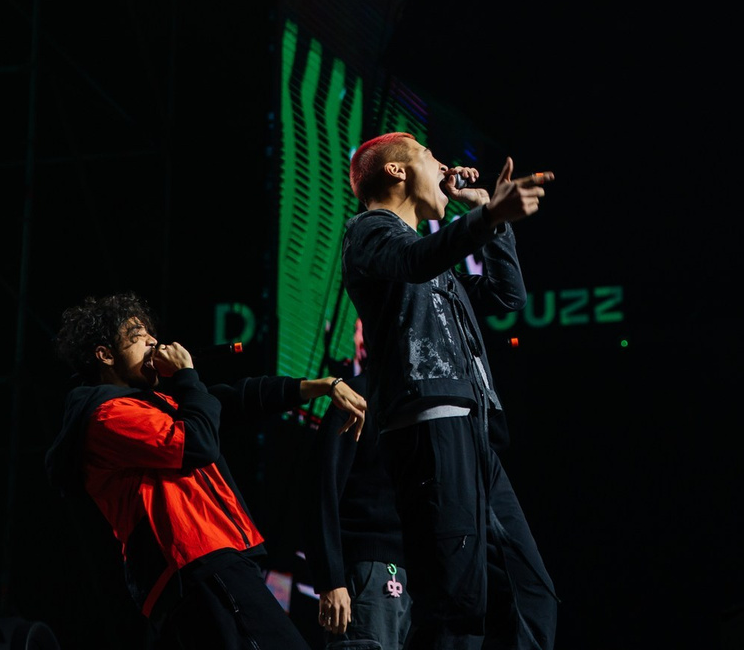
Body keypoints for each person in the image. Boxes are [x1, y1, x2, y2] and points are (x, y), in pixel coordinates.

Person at [44, 291, 368, 649]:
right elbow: (196, 442)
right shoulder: (108, 417)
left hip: (209, 561)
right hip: (196, 561)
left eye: (152, 334)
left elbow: (237, 399)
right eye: (137, 337)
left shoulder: (154, 405)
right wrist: (186, 374)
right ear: (105, 355)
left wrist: (321, 386)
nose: (153, 343)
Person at [341, 135, 559, 649]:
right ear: (396, 171)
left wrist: (490, 217)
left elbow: (508, 295)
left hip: (473, 434)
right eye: (429, 157)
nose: (444, 167)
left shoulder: (429, 257)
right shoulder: (369, 231)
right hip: (431, 430)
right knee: (454, 607)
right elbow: (415, 260)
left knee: (530, 593)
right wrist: (485, 218)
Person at [311, 362, 410, 648]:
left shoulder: (417, 401)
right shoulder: (357, 395)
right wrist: (331, 580)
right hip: (370, 573)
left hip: (413, 576)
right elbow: (321, 487)